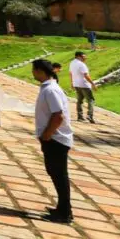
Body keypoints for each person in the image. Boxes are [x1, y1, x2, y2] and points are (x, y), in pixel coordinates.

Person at [32, 58, 73, 223]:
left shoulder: (51, 90)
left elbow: (58, 115)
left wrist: (48, 134)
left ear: (41, 71)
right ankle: (62, 208)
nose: (33, 73)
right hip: (52, 138)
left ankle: (65, 212)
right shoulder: (47, 88)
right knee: (54, 173)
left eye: (34, 70)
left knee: (59, 175)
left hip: (56, 139)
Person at [68, 51, 97, 124]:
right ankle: (90, 115)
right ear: (79, 56)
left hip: (76, 84)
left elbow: (70, 73)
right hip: (84, 85)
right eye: (84, 56)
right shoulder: (82, 64)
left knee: (79, 100)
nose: (85, 57)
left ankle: (80, 117)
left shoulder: (72, 63)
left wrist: (72, 83)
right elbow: (86, 75)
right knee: (91, 100)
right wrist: (93, 84)